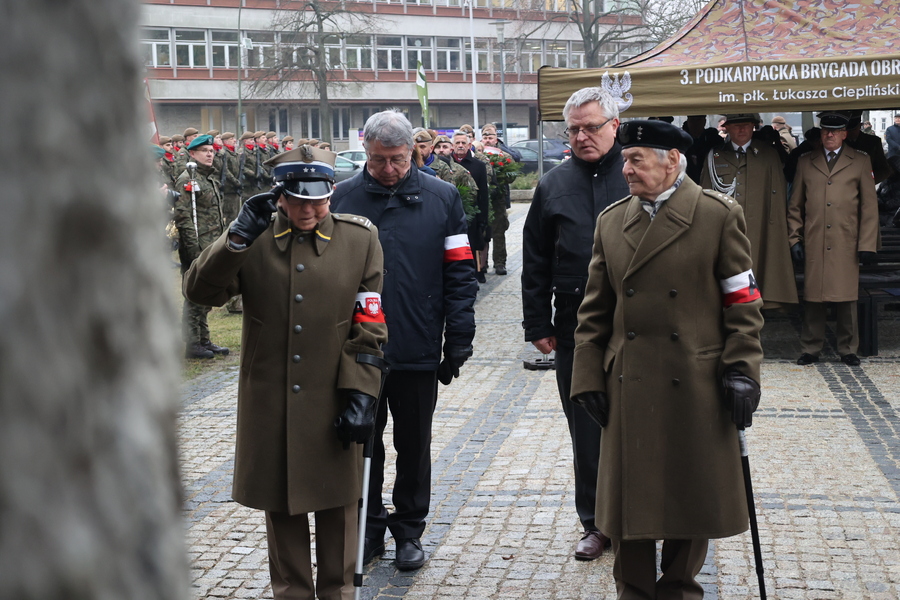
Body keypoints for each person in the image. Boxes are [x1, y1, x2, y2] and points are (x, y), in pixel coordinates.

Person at [183, 145, 388, 600]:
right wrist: (235, 239)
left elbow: (369, 322)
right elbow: (200, 291)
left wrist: (361, 393)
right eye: (300, 200)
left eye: (320, 199)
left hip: (333, 398)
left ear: (333, 193)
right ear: (280, 196)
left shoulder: (359, 240)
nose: (311, 209)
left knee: (339, 512)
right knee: (284, 512)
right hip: (270, 403)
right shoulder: (252, 238)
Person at [571, 119, 764, 599]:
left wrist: (742, 370)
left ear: (671, 160)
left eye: (637, 159)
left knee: (688, 494)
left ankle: (680, 588)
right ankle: (632, 590)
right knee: (629, 501)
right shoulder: (612, 221)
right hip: (629, 383)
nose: (626, 169)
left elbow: (742, 302)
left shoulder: (718, 215)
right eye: (625, 159)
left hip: (693, 381)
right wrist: (587, 376)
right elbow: (594, 311)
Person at [330, 110, 477, 572]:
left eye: (397, 159)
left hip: (417, 339)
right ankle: (369, 527)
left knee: (413, 444)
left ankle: (410, 528)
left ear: (413, 151)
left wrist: (459, 336)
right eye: (378, 160)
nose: (389, 169)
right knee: (361, 441)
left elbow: (459, 270)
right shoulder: (343, 196)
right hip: (359, 347)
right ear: (365, 152)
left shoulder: (443, 197)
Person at [521, 86, 629, 561]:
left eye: (592, 126)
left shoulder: (638, 174)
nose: (583, 136)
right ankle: (597, 523)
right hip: (574, 327)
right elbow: (536, 259)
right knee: (586, 429)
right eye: (574, 129)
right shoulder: (553, 184)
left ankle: (642, 518)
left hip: (635, 326)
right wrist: (536, 322)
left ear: (615, 127)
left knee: (641, 427)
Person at [788, 111, 879, 367]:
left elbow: (869, 208)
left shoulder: (860, 161)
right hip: (814, 238)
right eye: (825, 130)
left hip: (846, 239)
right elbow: (795, 205)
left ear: (844, 134)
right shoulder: (806, 161)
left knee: (847, 297)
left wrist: (867, 244)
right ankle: (810, 348)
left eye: (834, 131)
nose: (829, 134)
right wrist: (794, 239)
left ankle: (848, 348)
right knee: (813, 296)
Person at [701, 113, 798, 308]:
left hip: (760, 231)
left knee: (758, 285)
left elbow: (778, 201)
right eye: (736, 125)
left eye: (747, 125)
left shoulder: (769, 155)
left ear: (754, 126)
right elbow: (704, 198)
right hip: (725, 233)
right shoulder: (714, 156)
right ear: (726, 127)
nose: (742, 130)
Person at [172, 134, 230, 359]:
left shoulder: (209, 179)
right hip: (197, 245)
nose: (209, 154)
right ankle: (192, 342)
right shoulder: (188, 178)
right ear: (192, 154)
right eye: (204, 150)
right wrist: (193, 249)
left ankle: (203, 339)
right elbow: (184, 216)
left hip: (212, 243)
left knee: (206, 293)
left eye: (211, 150)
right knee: (194, 294)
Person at [451, 130, 491, 283]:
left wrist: (482, 219)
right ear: (453, 145)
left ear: (469, 145)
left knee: (471, 246)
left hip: (472, 214)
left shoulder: (478, 165)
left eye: (463, 143)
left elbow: (483, 194)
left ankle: (473, 275)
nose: (460, 146)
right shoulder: (448, 164)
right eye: (457, 143)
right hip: (453, 213)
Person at [481, 123, 519, 275]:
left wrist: (501, 179)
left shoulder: (504, 154)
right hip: (483, 199)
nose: (488, 140)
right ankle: (483, 263)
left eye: (490, 137)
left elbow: (512, 173)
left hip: (498, 199)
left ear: (496, 138)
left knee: (498, 232)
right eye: (485, 137)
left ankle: (499, 263)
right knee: (483, 232)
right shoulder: (478, 152)